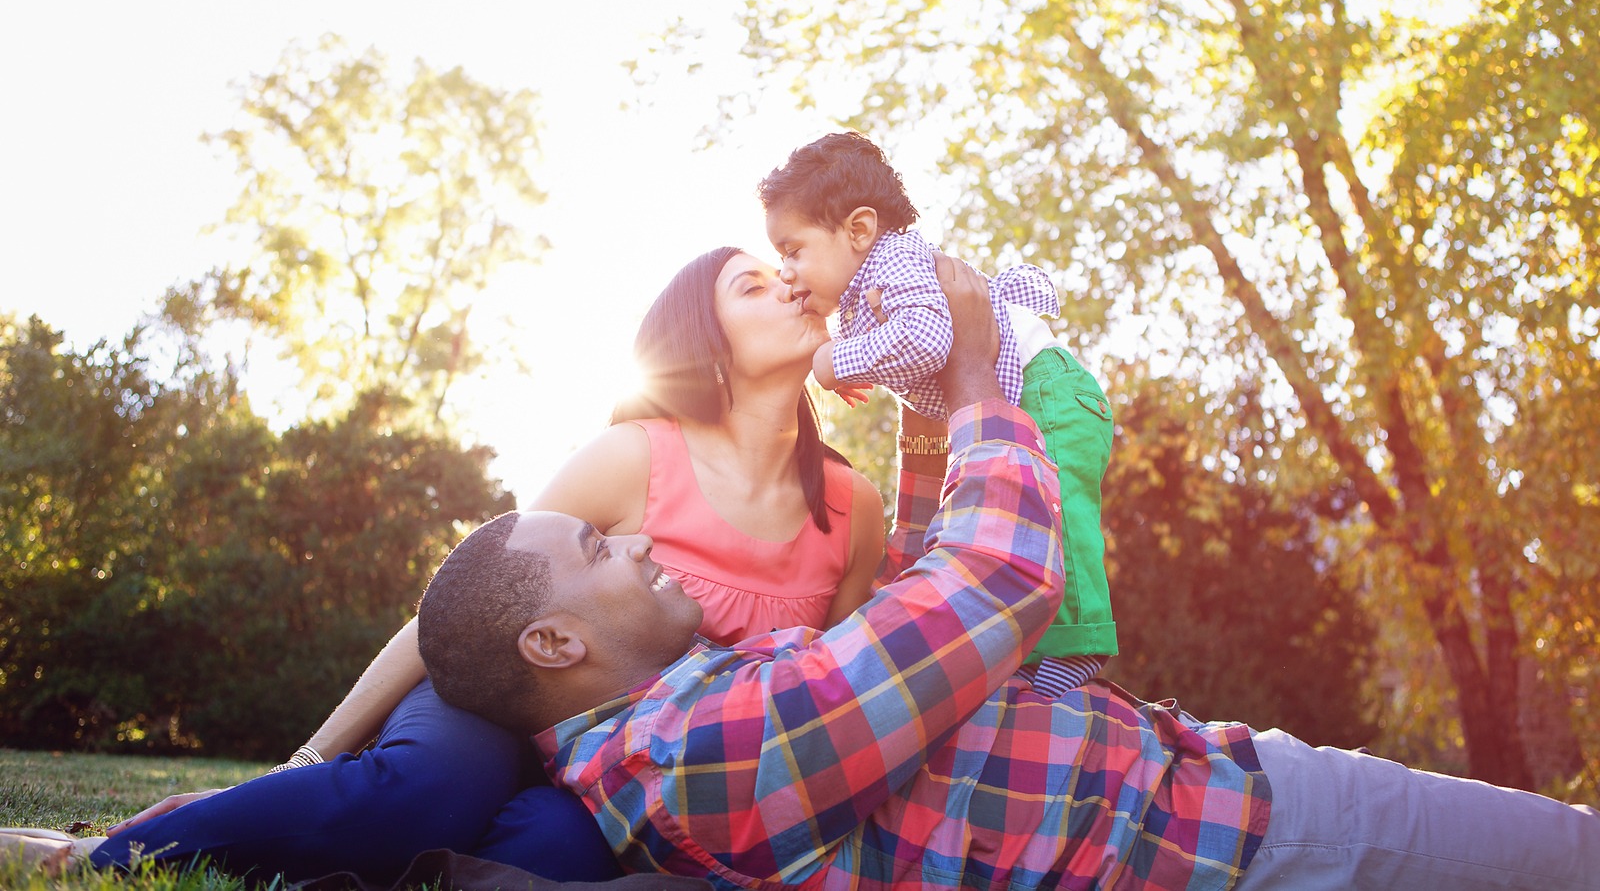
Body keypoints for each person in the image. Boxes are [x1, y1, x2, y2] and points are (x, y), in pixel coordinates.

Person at [418, 254, 1600, 891]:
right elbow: (996, 584)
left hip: (1218, 787)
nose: (627, 538)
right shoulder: (699, 756)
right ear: (553, 644)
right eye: (594, 550)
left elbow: (914, 618)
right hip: (1252, 839)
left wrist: (934, 428)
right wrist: (983, 375)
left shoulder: (695, 705)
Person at [33, 247, 893, 887]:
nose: (789, 281)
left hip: (631, 769)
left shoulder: (852, 511)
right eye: (752, 282)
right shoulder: (632, 458)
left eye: (784, 270)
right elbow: (471, 598)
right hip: (503, 706)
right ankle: (101, 858)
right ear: (705, 344)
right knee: (430, 790)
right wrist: (307, 760)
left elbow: (836, 685)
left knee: (560, 853)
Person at [760, 130, 1116, 694]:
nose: (785, 272)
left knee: (1058, 515)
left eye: (792, 250)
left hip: (1043, 391)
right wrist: (857, 360)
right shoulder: (868, 288)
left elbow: (927, 338)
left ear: (858, 230)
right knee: (1028, 515)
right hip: (1023, 399)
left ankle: (1077, 648)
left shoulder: (892, 259)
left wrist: (837, 362)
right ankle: (1036, 648)